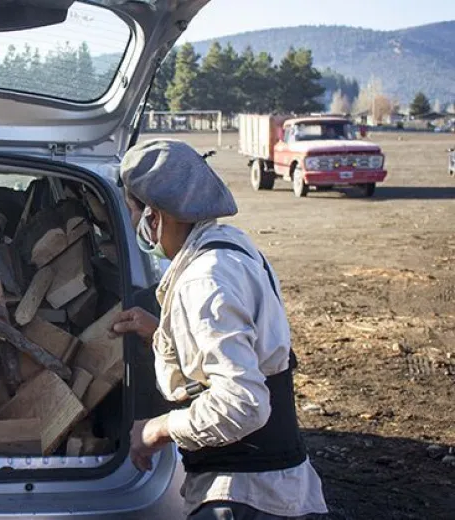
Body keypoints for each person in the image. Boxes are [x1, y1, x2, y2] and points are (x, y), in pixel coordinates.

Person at [110, 139, 328, 520]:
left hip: (246, 498)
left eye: (132, 211)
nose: (132, 222)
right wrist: (162, 335)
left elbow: (243, 404)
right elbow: (242, 346)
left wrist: (156, 429)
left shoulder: (204, 280)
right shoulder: (233, 247)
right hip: (271, 488)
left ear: (154, 218)